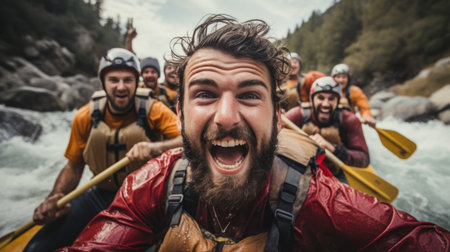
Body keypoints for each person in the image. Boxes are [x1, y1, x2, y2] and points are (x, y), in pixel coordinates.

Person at [59, 14, 449, 252]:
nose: (227, 117)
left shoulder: (322, 201)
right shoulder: (150, 185)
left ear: (278, 116)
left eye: (249, 95)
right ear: (178, 111)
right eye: (205, 94)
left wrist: (339, 153)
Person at [24, 48, 183, 251]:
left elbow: (187, 140)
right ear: (103, 81)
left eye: (128, 80)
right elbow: (74, 166)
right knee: (36, 249)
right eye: (114, 80)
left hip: (144, 200)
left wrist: (155, 147)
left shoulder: (154, 109)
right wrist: (56, 196)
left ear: (136, 81)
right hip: (100, 194)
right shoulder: (85, 116)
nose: (121, 87)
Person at [284, 76, 369, 182]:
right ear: (311, 100)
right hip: (300, 173)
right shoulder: (297, 114)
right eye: (320, 97)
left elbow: (364, 159)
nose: (325, 104)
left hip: (335, 176)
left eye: (331, 98)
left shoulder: (349, 119)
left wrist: (333, 149)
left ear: (338, 101)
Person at [126, 27, 178, 111]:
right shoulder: (136, 88)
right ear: (141, 75)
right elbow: (130, 61)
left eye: (153, 72)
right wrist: (129, 40)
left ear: (158, 75)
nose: (150, 75)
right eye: (146, 72)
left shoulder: (169, 93)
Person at [331, 63, 377, 127]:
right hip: (331, 123)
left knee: (344, 102)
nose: (341, 80)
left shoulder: (354, 91)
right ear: (333, 78)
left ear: (348, 79)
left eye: (344, 77)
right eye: (338, 77)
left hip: (349, 123)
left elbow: (364, 108)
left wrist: (366, 116)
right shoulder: (328, 91)